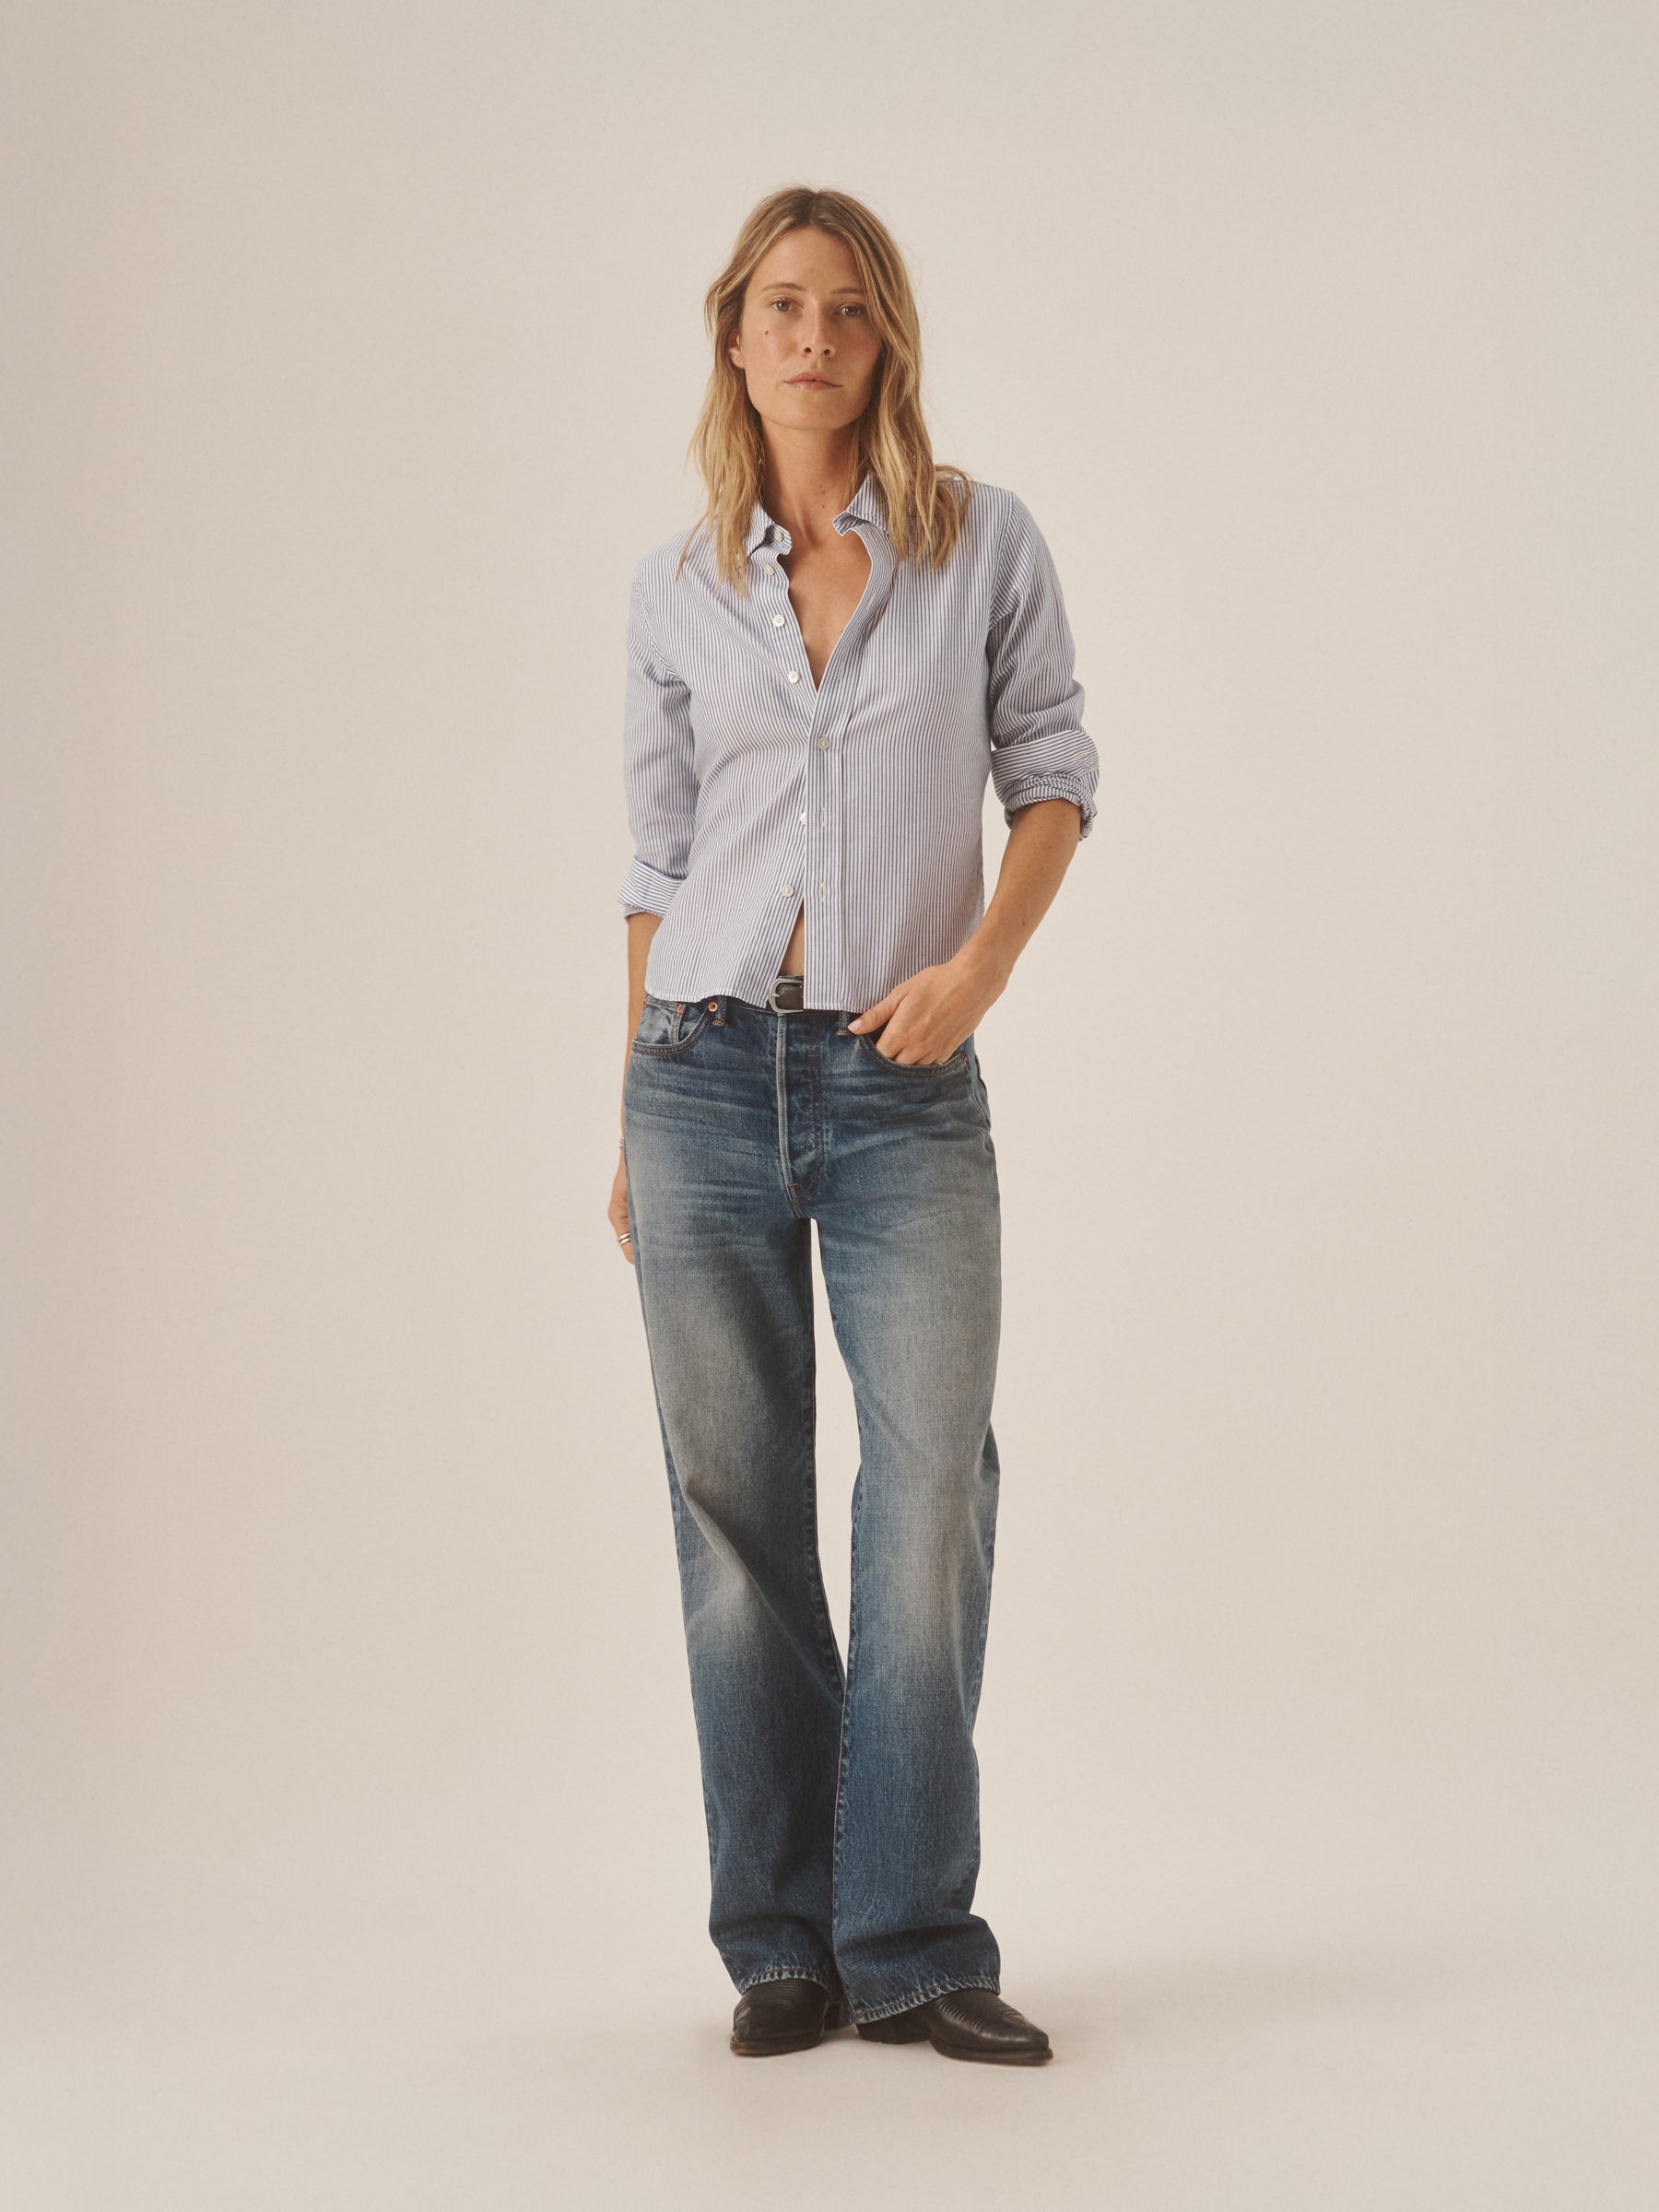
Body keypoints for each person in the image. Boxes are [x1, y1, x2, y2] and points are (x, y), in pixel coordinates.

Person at [607, 185, 1098, 2067]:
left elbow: (1054, 771)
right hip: (699, 1074)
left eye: (849, 309)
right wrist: (626, 1115)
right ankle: (782, 1948)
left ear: (886, 339)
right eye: (782, 307)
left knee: (932, 1495)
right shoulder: (675, 589)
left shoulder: (981, 544)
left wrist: (981, 968)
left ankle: (911, 1939)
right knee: (733, 1517)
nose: (814, 338)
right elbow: (658, 865)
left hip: (906, 1085)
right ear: (734, 336)